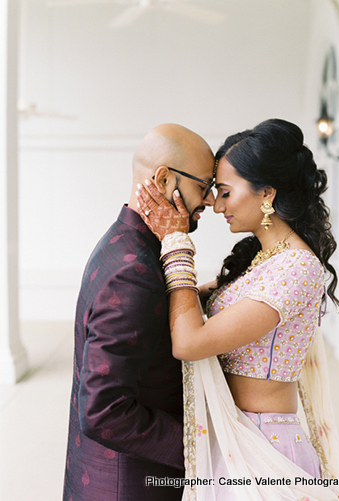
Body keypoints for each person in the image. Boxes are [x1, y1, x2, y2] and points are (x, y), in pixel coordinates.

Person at [136, 119, 339, 500]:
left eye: (225, 193)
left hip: (264, 446)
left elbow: (189, 341)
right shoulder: (263, 260)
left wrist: (175, 240)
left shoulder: (296, 268)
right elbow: (188, 304)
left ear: (266, 194)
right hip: (234, 435)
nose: (215, 206)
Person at [63, 123, 216, 501]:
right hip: (129, 484)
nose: (210, 201)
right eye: (204, 186)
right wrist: (204, 451)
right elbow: (104, 411)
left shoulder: (122, 242)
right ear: (164, 180)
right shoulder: (133, 271)